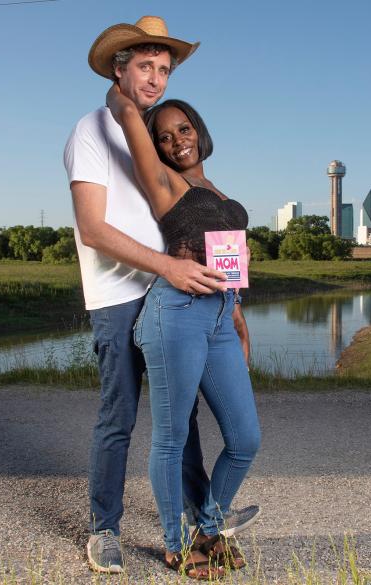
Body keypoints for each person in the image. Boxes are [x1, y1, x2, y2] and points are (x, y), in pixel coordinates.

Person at [63, 16, 258, 575]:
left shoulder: (156, 134)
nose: (154, 78)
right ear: (120, 68)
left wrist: (233, 303)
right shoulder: (91, 131)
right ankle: (104, 529)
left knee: (182, 422)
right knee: (119, 416)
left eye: (163, 69)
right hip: (120, 293)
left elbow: (205, 224)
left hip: (179, 296)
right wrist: (169, 268)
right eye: (144, 66)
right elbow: (94, 230)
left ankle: (202, 521)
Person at [106, 84, 261, 579]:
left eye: (185, 130)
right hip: (176, 313)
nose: (177, 142)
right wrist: (125, 87)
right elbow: (129, 115)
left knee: (245, 439)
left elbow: (227, 261)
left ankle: (208, 526)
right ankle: (178, 545)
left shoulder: (216, 190)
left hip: (218, 315)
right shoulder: (164, 183)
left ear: (200, 131)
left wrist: (236, 315)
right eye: (165, 136)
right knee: (172, 439)